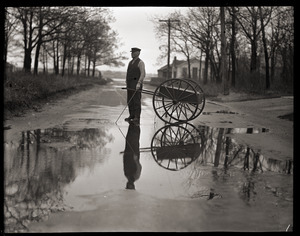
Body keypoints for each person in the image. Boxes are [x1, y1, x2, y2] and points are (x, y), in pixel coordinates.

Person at [125, 47, 146, 123]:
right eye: (131, 52)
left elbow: (143, 74)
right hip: (130, 84)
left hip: (136, 84)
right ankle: (132, 115)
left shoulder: (140, 62)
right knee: (130, 100)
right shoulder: (130, 62)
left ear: (137, 53)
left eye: (133, 52)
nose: (132, 54)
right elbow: (128, 72)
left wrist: (139, 83)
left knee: (136, 100)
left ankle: (137, 117)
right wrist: (126, 81)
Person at [123, 123, 142, 190]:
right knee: (135, 140)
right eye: (130, 184)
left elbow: (124, 163)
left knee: (128, 139)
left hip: (128, 153)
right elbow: (139, 167)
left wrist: (124, 155)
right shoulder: (136, 176)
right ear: (133, 184)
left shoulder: (126, 175)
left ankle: (131, 125)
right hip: (134, 155)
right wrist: (136, 160)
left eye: (128, 184)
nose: (129, 183)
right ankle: (136, 125)